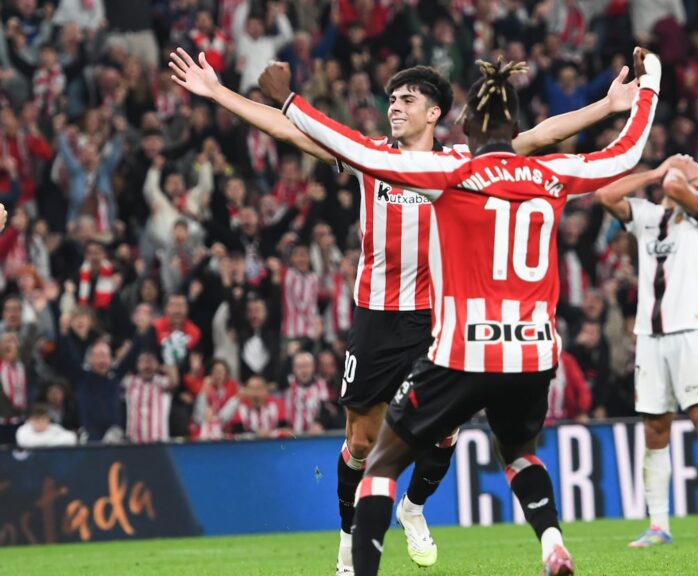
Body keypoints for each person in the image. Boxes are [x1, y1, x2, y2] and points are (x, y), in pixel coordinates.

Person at [169, 46, 640, 575]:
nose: (394, 106)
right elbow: (288, 130)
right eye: (391, 98)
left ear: (434, 113)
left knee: (445, 430)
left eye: (407, 99)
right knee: (360, 442)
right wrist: (218, 93)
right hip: (377, 315)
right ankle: (349, 538)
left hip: (437, 317)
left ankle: (412, 508)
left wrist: (606, 106)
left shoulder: (458, 163)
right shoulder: (371, 156)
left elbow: (537, 136)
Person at [594, 155, 698, 546]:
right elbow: (605, 195)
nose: (684, 162)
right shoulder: (647, 216)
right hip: (650, 336)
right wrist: (657, 171)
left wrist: (675, 173)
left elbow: (677, 187)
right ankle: (658, 525)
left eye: (691, 165)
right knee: (655, 428)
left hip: (691, 331)